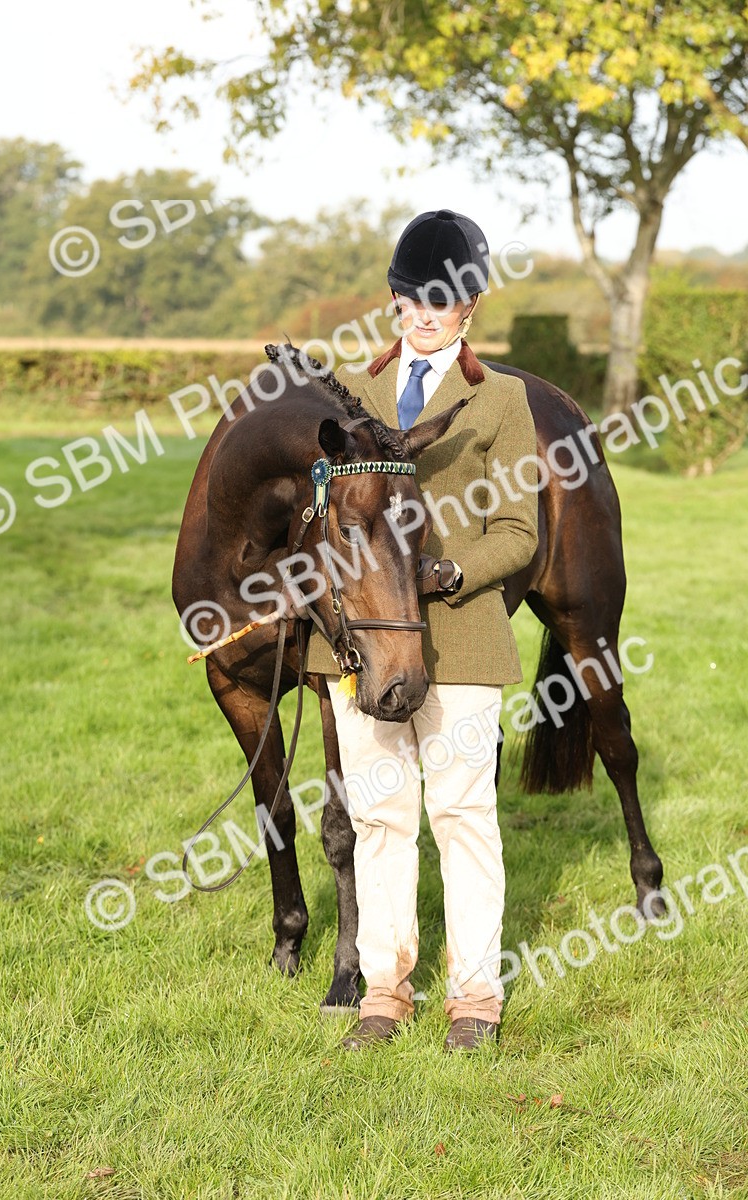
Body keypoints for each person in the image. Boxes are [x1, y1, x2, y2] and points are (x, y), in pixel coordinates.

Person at [306, 209, 539, 1052]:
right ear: (396, 303)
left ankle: (475, 996)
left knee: (463, 812)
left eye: (443, 302)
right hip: (366, 639)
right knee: (378, 814)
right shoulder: (353, 395)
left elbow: (518, 532)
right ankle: (383, 990)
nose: (426, 314)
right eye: (412, 300)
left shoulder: (502, 400)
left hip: (463, 635)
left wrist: (449, 572)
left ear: (469, 306)